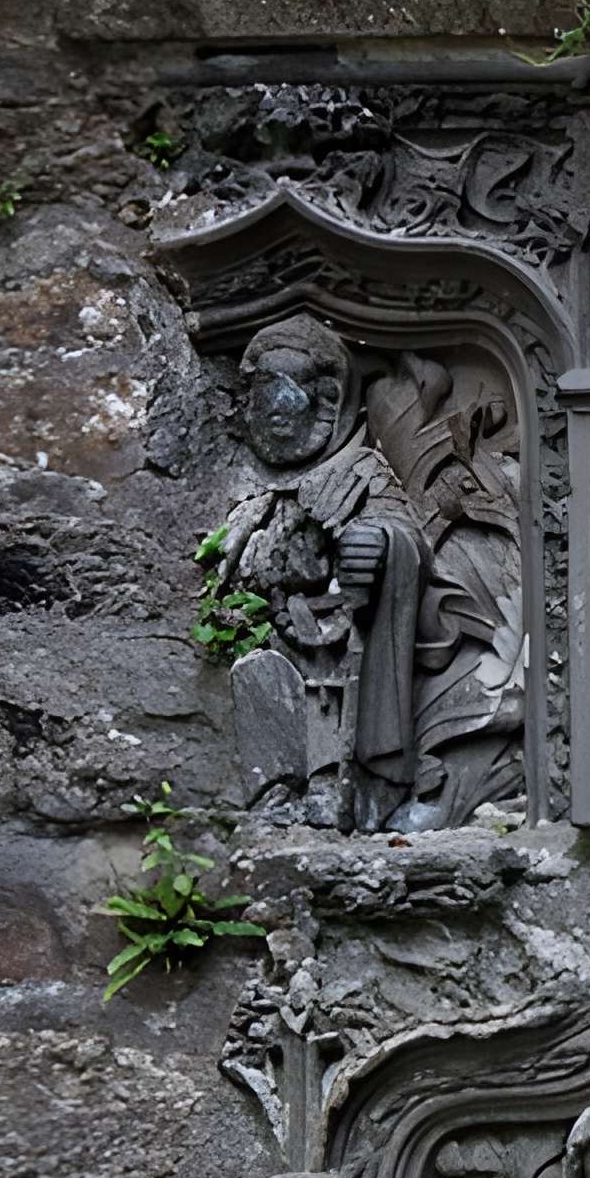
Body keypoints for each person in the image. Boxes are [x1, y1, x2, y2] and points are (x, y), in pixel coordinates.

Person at [216, 313, 425, 830]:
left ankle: (339, 792)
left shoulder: (360, 471)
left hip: (338, 634)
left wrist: (378, 543)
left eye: (290, 392)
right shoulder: (247, 485)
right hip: (273, 631)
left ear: (328, 400)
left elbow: (405, 535)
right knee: (262, 683)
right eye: (264, 393)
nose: (276, 411)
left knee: (327, 709)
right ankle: (274, 794)